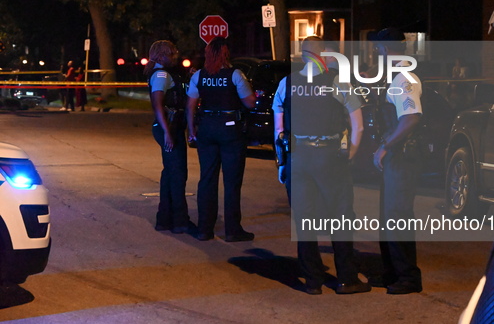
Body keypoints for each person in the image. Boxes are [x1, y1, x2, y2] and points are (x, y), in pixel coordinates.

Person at [272, 36, 370, 295]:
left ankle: (312, 280)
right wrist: (351, 154)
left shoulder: (287, 83)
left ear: (302, 55)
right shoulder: (337, 82)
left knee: (304, 220)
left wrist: (282, 161)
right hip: (329, 156)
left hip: (298, 157)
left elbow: (279, 128)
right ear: (323, 54)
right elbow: (358, 125)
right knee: (341, 217)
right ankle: (347, 279)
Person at [186, 37, 256, 242]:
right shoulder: (235, 75)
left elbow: (190, 105)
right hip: (230, 130)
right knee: (232, 182)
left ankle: (204, 229)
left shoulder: (199, 75)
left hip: (206, 128)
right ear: (226, 53)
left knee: (207, 180)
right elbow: (250, 103)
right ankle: (233, 230)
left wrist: (192, 131)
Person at [370, 27, 423, 295]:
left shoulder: (403, 78)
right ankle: (392, 271)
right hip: (396, 157)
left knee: (398, 216)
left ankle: (408, 276)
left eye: (376, 49)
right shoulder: (395, 76)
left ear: (384, 50)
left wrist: (384, 147)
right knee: (387, 217)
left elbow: (411, 118)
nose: (375, 53)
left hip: (402, 157)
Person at [146, 40, 191, 234]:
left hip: (169, 127)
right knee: (178, 174)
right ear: (160, 55)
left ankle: (164, 219)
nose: (175, 57)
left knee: (170, 173)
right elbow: (158, 105)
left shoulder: (163, 73)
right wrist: (167, 133)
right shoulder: (162, 75)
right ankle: (180, 221)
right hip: (169, 128)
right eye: (171, 54)